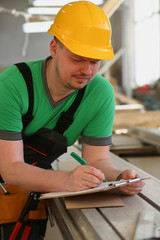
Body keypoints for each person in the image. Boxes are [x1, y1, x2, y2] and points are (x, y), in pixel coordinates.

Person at [0, 1, 145, 239]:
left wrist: (119, 178)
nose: (87, 71)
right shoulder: (14, 84)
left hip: (33, 186)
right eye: (78, 58)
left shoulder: (100, 93)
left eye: (95, 61)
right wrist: (66, 180)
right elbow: (11, 169)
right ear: (55, 48)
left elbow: (97, 159)